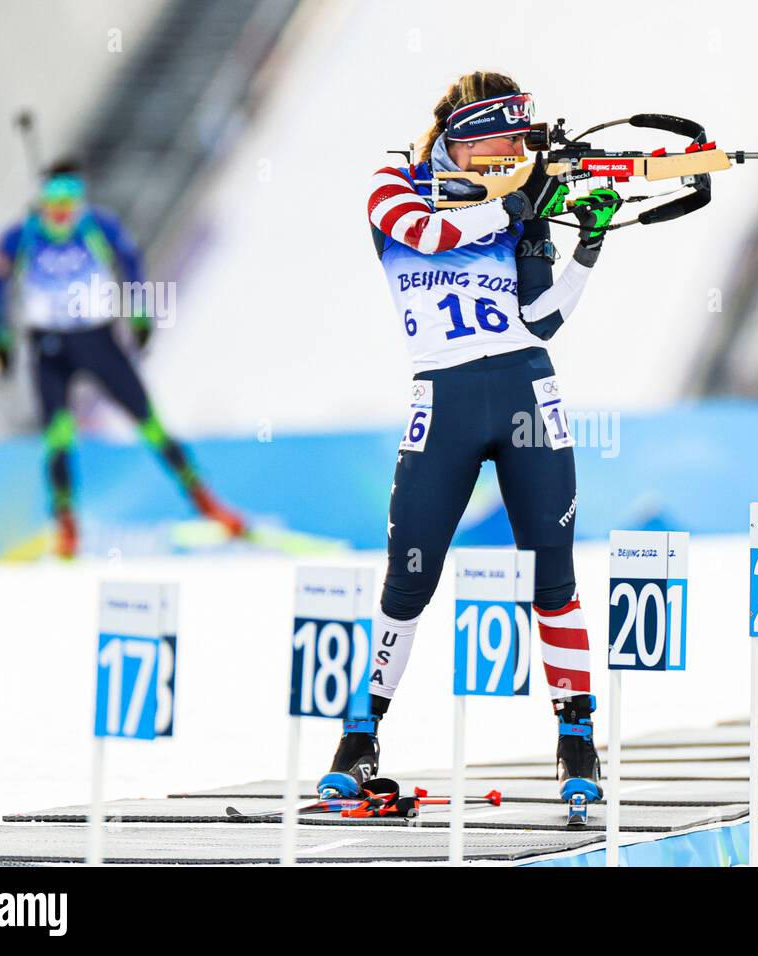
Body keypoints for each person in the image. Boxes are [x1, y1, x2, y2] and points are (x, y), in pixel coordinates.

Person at [317, 72, 621, 812]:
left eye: (524, 140)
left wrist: (586, 243)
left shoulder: (520, 206)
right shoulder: (397, 181)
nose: (518, 149)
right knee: (407, 581)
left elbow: (544, 317)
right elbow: (427, 233)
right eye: (505, 138)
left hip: (525, 387)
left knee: (553, 577)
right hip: (443, 396)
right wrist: (512, 202)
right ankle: (358, 742)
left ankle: (577, 742)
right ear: (465, 136)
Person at [0, 160, 247, 558]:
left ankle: (206, 502)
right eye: (53, 200)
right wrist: (2, 336)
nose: (61, 210)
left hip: (97, 339)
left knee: (150, 423)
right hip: (48, 346)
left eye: (70, 199)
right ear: (39, 201)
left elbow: (131, 264)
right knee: (57, 436)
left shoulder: (97, 225)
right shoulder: (22, 234)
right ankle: (66, 525)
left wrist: (140, 315)